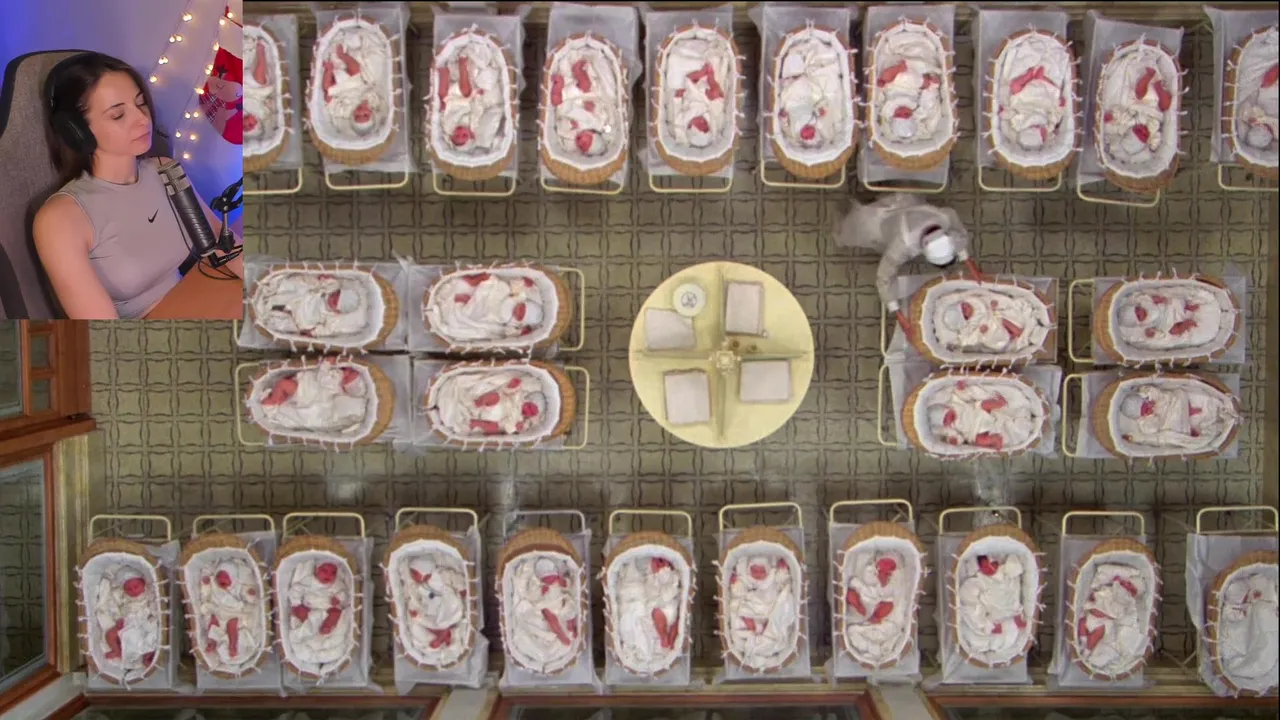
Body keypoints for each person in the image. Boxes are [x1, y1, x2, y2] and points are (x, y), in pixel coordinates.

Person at [33, 51, 241, 319]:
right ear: (77, 131)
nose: (143, 120)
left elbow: (220, 240)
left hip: (199, 294)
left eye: (141, 104)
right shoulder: (60, 219)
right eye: (118, 115)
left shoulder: (165, 169)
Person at [832, 193, 983, 336]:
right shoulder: (903, 244)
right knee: (854, 228)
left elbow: (957, 236)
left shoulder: (945, 217)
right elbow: (884, 277)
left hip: (909, 208)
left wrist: (969, 263)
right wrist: (897, 312)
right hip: (887, 224)